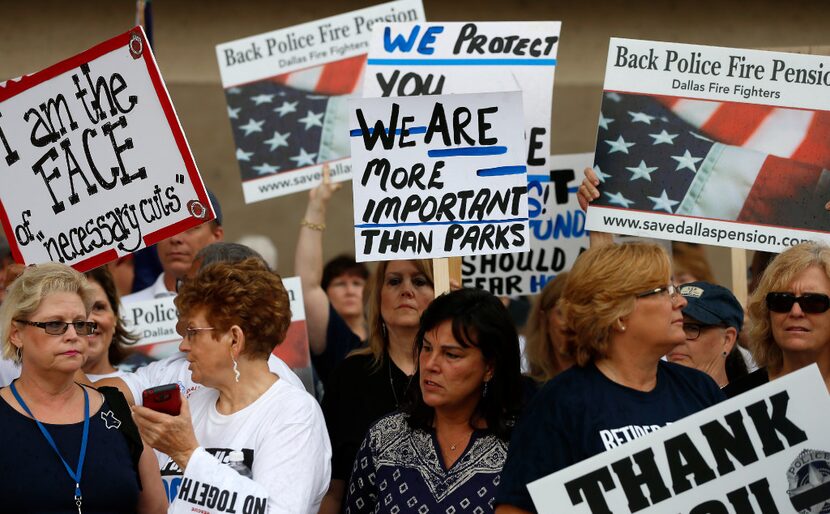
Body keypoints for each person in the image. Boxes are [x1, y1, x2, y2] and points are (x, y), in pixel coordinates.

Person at [495, 243, 724, 513]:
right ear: (618, 315)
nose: (681, 301)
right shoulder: (560, 404)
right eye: (665, 291)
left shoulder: (699, 389)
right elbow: (515, 509)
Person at [132, 258, 331, 511]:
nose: (183, 345)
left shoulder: (294, 413)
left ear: (234, 339)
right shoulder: (194, 406)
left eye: (193, 332)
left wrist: (187, 455)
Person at [0, 263, 166, 513]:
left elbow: (155, 510)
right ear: (16, 334)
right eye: (55, 325)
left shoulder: (119, 412)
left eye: (80, 324)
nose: (72, 335)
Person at [344, 288, 523, 513]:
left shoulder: (522, 447)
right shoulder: (383, 437)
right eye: (427, 348)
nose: (430, 364)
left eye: (451, 354)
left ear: (490, 367)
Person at [90, 242, 304, 405]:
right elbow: (101, 396)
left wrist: (184, 452)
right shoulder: (178, 365)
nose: (178, 296)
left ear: (229, 297)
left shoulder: (280, 392)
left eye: (190, 287)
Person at [321, 259, 434, 513]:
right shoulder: (349, 376)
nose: (406, 290)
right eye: (394, 281)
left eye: (419, 281)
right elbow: (333, 488)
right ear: (378, 295)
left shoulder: (458, 375)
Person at [295, 165, 369, 385]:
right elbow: (308, 284)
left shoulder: (391, 335)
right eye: (340, 284)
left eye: (357, 283)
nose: (349, 290)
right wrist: (317, 206)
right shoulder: (335, 340)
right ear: (325, 292)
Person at [732, 242, 830, 396]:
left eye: (813, 302)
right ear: (767, 314)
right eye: (782, 300)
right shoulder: (734, 400)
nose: (795, 311)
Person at [124, 190, 224, 302]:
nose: (175, 239)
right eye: (166, 228)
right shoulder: (126, 311)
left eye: (190, 227)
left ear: (216, 236)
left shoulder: (236, 306)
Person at [667, 281, 748, 388]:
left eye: (691, 328)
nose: (677, 338)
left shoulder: (749, 401)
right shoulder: (650, 401)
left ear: (727, 340)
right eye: (672, 326)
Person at [84, 266, 139, 381]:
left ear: (115, 317)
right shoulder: (37, 393)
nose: (88, 320)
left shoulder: (141, 386)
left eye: (98, 307)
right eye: (77, 309)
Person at [523, 273, 572, 384]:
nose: (571, 323)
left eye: (578, 313)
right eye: (562, 312)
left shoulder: (601, 386)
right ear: (544, 320)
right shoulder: (526, 391)